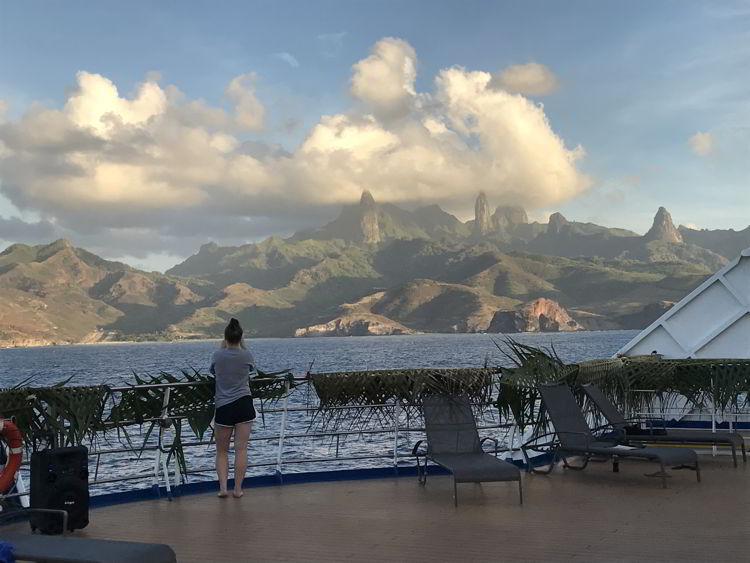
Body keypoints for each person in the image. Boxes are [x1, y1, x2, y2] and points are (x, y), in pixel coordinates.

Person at [210, 318, 256, 498]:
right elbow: (251, 370)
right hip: (244, 403)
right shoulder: (247, 355)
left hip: (224, 405)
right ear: (241, 336)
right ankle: (238, 489)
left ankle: (223, 489)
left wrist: (224, 346)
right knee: (241, 449)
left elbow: (214, 372)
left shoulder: (217, 355)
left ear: (225, 337)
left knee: (222, 450)